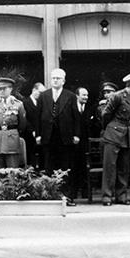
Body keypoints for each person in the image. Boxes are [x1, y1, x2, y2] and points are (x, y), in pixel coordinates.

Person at [35, 68, 81, 206]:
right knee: (49, 167)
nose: (55, 80)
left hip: (65, 137)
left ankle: (66, 197)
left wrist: (76, 134)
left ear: (63, 81)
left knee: (65, 167)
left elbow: (76, 118)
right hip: (48, 137)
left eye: (58, 78)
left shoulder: (71, 96)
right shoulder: (44, 96)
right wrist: (38, 134)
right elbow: (38, 117)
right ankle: (50, 198)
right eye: (53, 78)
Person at [101, 70, 130, 206]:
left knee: (123, 167)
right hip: (113, 134)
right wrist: (111, 128)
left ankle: (121, 196)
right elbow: (105, 114)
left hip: (126, 136)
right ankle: (107, 196)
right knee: (110, 167)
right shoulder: (117, 96)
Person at [0, 77, 27, 169]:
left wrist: (13, 132)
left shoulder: (18, 104)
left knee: (12, 169)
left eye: (4, 89)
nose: (1, 91)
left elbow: (22, 124)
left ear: (10, 89)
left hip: (12, 139)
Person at [71, 87, 94, 200]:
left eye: (87, 95)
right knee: (74, 167)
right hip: (74, 144)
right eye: (83, 95)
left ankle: (86, 192)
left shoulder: (90, 109)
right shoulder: (72, 107)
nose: (86, 97)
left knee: (85, 168)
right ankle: (73, 192)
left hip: (86, 143)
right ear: (77, 95)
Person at [22, 82, 46, 168]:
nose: (41, 95)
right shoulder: (24, 102)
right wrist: (32, 130)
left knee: (42, 156)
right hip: (29, 134)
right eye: (40, 92)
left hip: (40, 134)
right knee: (30, 158)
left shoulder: (42, 103)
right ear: (34, 90)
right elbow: (25, 119)